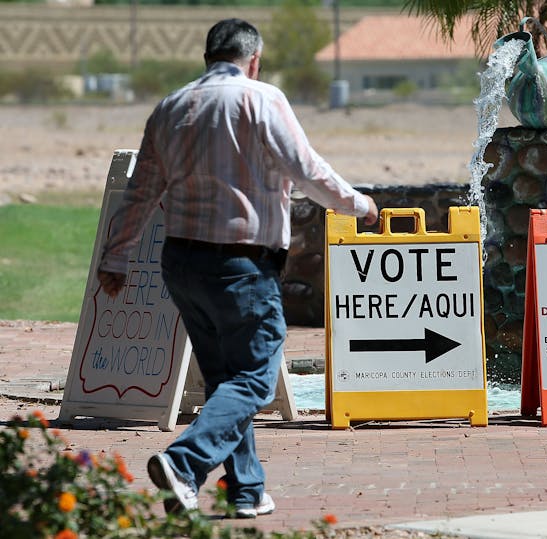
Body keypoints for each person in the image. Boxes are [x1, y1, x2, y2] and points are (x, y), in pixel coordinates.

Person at [97, 18, 378, 518]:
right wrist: (360, 205)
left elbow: (141, 191)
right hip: (241, 263)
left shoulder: (171, 107)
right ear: (254, 59)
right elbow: (307, 169)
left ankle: (245, 489)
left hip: (181, 262)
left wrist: (116, 257)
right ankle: (184, 465)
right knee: (254, 379)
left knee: (228, 379)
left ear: (208, 57)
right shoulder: (262, 99)